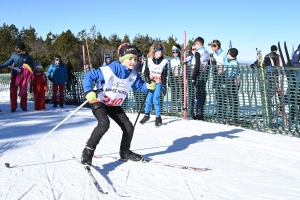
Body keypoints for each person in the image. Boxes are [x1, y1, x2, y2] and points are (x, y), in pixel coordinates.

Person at [81, 43, 156, 166]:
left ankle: (125, 152)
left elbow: (139, 86)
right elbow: (90, 75)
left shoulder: (133, 74)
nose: (133, 62)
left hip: (113, 104)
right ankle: (87, 152)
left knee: (128, 128)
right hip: (99, 101)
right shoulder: (112, 69)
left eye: (135, 59)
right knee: (104, 124)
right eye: (130, 59)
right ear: (122, 59)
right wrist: (88, 91)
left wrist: (148, 86)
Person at [139, 42, 168, 127]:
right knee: (148, 99)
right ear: (154, 51)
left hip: (158, 83)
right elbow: (146, 72)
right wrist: (148, 79)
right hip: (151, 83)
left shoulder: (164, 62)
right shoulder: (149, 60)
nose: (160, 53)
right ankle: (147, 114)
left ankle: (158, 117)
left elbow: (164, 75)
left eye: (161, 51)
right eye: (158, 51)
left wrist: (163, 86)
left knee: (156, 99)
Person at [0, 42, 34, 112]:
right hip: (14, 75)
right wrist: (1, 66)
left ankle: (24, 106)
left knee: (23, 92)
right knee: (13, 91)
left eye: (17, 48)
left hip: (23, 77)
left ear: (20, 48)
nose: (15, 49)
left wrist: (25, 68)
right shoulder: (14, 55)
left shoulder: (27, 57)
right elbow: (8, 62)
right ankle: (13, 107)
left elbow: (32, 67)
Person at [263, 45, 284, 127]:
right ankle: (280, 107)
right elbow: (281, 65)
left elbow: (264, 64)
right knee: (278, 91)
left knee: (270, 91)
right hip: (276, 75)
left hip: (269, 75)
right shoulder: (278, 56)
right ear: (276, 49)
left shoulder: (267, 56)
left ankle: (269, 106)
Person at [190, 37, 210, 120]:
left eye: (195, 44)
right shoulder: (207, 52)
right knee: (202, 94)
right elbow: (209, 64)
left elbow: (197, 65)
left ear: (198, 43)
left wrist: (193, 77)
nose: (195, 46)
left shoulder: (198, 52)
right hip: (205, 74)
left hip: (199, 74)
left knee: (198, 94)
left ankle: (198, 114)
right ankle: (201, 113)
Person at [208, 39, 227, 120]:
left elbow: (226, 65)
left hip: (222, 76)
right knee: (217, 94)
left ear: (217, 46)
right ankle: (219, 111)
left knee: (223, 94)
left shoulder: (223, 54)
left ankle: (224, 112)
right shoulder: (213, 55)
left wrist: (221, 71)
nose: (211, 48)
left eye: (213, 46)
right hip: (215, 76)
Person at [223, 48, 240, 122]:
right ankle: (233, 115)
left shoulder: (233, 63)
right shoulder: (231, 62)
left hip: (232, 84)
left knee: (232, 100)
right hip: (231, 83)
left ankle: (233, 116)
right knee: (231, 100)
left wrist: (227, 78)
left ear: (230, 53)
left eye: (228, 53)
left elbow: (231, 74)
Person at [169, 44, 184, 114]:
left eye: (176, 52)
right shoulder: (171, 61)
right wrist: (169, 80)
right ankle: (174, 107)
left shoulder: (181, 60)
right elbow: (170, 70)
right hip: (174, 78)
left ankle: (181, 107)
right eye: (173, 52)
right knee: (174, 93)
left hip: (180, 78)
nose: (175, 53)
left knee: (180, 92)